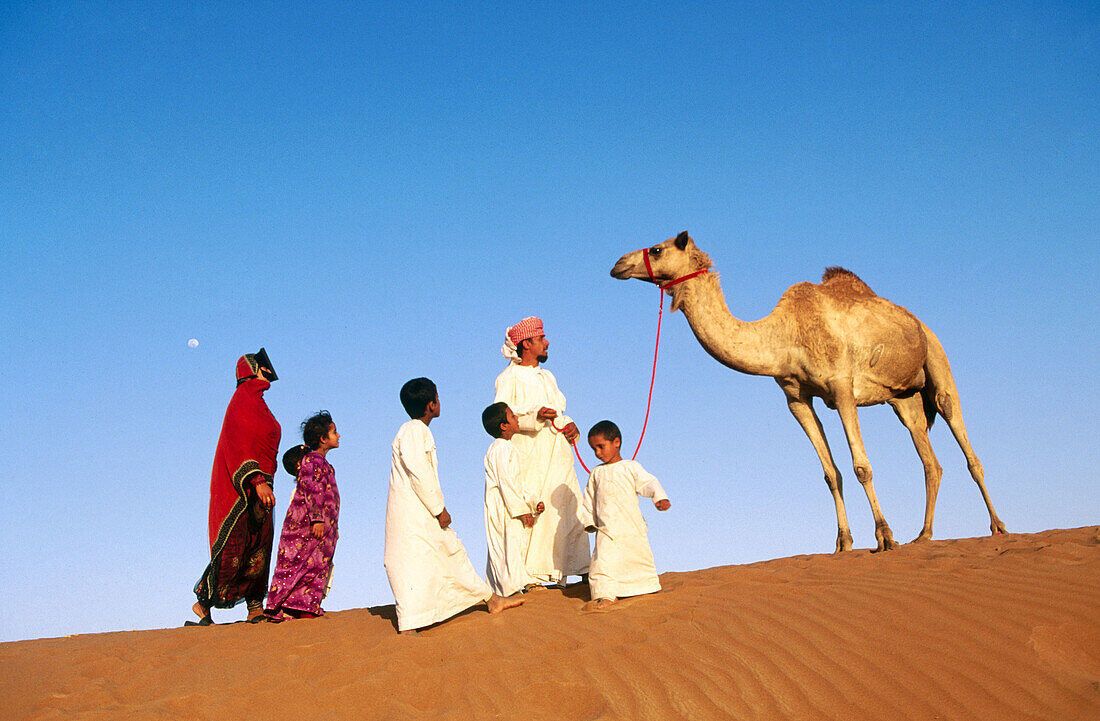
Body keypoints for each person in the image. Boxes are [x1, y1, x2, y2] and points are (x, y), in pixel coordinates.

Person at [384, 378, 524, 634]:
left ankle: (490, 600)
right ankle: (411, 623)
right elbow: (419, 472)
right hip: (416, 513)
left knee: (448, 553)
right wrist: (439, 509)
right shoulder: (414, 431)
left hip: (419, 512)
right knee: (417, 562)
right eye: (437, 396)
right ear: (431, 404)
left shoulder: (414, 430)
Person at [494, 316, 590, 588]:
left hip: (558, 452)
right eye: (541, 339)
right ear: (527, 344)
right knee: (537, 510)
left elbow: (559, 410)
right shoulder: (507, 378)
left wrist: (571, 427)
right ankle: (534, 577)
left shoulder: (548, 376)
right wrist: (532, 417)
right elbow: (500, 416)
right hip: (530, 455)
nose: (547, 343)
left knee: (568, 507)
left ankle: (580, 567)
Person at [191, 348, 281, 625]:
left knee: (260, 544)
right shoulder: (243, 399)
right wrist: (256, 481)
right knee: (236, 544)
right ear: (252, 369)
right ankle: (204, 603)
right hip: (244, 485)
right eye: (263, 367)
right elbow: (241, 443)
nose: (268, 371)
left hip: (264, 483)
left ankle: (255, 606)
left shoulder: (258, 401)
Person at [580, 420, 671, 610]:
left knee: (637, 557)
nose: (597, 453)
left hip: (631, 527)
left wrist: (659, 498)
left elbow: (649, 483)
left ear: (616, 442)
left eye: (600, 446)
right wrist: (588, 521)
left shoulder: (631, 467)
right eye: (593, 449)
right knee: (602, 562)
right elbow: (588, 498)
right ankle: (605, 594)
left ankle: (644, 587)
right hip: (606, 530)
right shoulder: (596, 473)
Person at [264, 412, 341, 622]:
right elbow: (313, 490)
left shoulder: (323, 464)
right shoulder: (312, 461)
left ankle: (305, 605)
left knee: (316, 564)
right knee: (299, 563)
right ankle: (287, 606)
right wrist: (317, 519)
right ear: (323, 438)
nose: (338, 436)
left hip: (324, 528)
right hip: (308, 526)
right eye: (334, 432)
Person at [481, 402, 546, 597]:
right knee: (506, 546)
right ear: (503, 425)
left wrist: (533, 502)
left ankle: (512, 586)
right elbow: (505, 482)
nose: (517, 418)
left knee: (513, 545)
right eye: (512, 416)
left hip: (512, 505)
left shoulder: (509, 448)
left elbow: (519, 482)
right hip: (504, 507)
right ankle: (509, 591)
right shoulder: (499, 448)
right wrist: (521, 510)